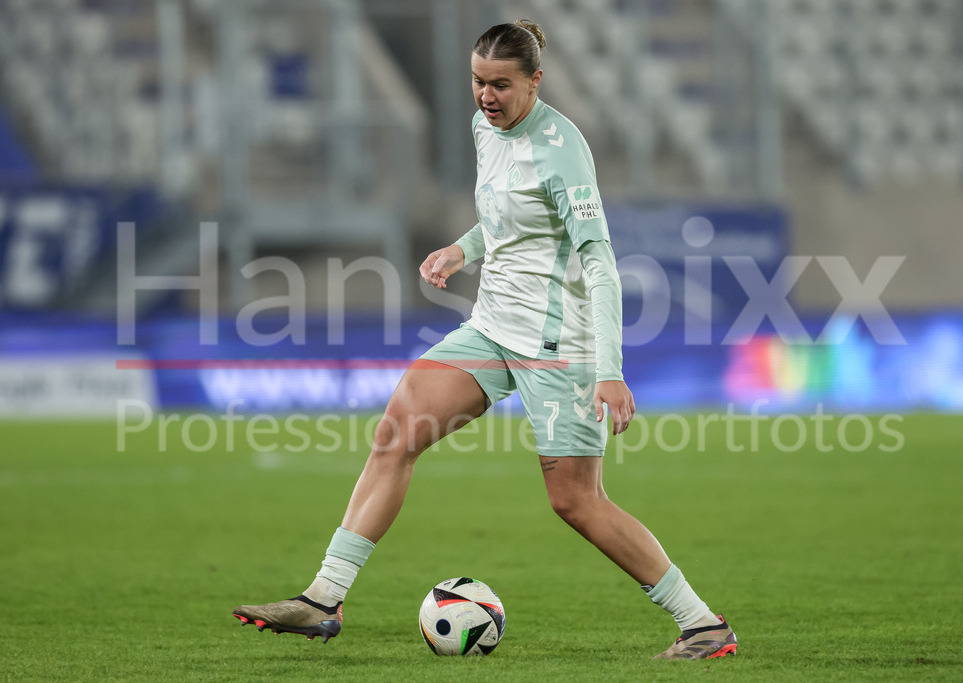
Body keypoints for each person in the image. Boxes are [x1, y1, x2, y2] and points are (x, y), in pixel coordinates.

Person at [233, 19, 737, 661]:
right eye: (477, 82)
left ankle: (702, 625)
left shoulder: (561, 150)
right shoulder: (483, 127)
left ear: (536, 80)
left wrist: (610, 369)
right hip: (493, 326)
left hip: (558, 342)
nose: (486, 96)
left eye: (501, 84)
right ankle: (323, 599)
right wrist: (462, 247)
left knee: (576, 502)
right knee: (397, 431)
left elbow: (600, 262)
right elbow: (505, 216)